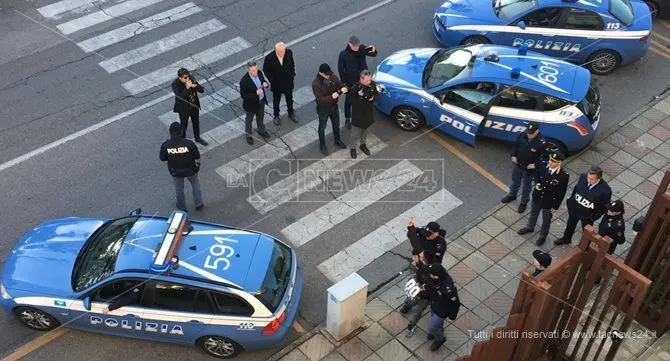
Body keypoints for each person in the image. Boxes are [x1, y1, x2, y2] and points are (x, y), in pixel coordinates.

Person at [518, 152, 569, 245]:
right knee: (533, 214)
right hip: (537, 196)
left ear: (559, 163)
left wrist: (555, 207)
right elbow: (536, 175)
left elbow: (561, 193)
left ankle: (543, 236)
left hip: (548, 202)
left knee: (546, 220)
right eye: (550, 160)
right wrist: (537, 184)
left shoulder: (563, 175)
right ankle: (530, 227)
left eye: (553, 161)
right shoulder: (543, 165)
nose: (550, 162)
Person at [555, 166, 612, 246]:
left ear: (599, 179)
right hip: (575, 208)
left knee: (587, 232)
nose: (588, 180)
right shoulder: (583, 177)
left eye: (592, 179)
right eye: (588, 177)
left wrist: (593, 217)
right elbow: (576, 188)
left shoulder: (606, 190)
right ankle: (566, 238)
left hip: (588, 215)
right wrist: (571, 200)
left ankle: (585, 246)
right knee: (570, 224)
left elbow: (604, 207)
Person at [501, 122, 547, 213]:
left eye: (531, 133)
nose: (529, 135)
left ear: (537, 131)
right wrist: (513, 155)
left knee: (526, 187)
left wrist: (535, 165)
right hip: (518, 165)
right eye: (528, 132)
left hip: (529, 170)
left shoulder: (541, 142)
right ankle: (512, 195)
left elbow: (546, 159)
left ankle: (524, 202)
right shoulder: (523, 135)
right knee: (515, 182)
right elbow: (516, 145)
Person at [159, 122, 204, 211]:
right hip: (190, 169)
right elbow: (197, 156)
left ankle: (182, 207)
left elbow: (162, 158)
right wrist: (197, 165)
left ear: (170, 132)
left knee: (179, 188)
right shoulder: (189, 143)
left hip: (175, 171)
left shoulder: (166, 145)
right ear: (181, 131)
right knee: (195, 184)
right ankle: (199, 204)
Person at [338, 35, 377, 129]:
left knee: (364, 97)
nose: (357, 48)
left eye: (358, 45)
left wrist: (373, 50)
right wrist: (344, 84)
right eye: (355, 46)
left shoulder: (362, 48)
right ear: (349, 44)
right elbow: (341, 70)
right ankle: (348, 118)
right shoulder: (343, 55)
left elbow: (373, 54)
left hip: (363, 80)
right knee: (349, 101)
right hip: (351, 83)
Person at [312, 63, 348, 155]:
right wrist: (331, 97)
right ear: (321, 73)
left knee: (336, 124)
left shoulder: (332, 77)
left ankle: (337, 140)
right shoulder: (316, 84)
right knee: (322, 128)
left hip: (334, 107)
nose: (329, 76)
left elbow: (340, 84)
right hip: (323, 109)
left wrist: (344, 88)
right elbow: (320, 100)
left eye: (329, 74)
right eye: (326, 74)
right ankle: (322, 145)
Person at [425, 263, 460, 352]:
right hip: (434, 304)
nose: (429, 275)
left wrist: (453, 316)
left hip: (442, 311)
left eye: (431, 274)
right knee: (436, 325)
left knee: (431, 328)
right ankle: (439, 330)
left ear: (436, 276)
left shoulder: (448, 289)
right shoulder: (435, 278)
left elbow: (454, 303)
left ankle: (440, 339)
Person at [400, 251, 435, 336]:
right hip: (418, 289)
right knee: (410, 299)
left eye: (422, 257)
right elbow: (416, 275)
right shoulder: (421, 267)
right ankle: (407, 305)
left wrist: (424, 289)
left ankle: (411, 326)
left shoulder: (434, 273)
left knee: (418, 312)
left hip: (425, 297)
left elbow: (433, 288)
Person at [263, 42, 298, 125]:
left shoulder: (289, 52)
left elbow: (292, 64)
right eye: (281, 51)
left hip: (287, 81)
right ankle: (276, 116)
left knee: (289, 99)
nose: (283, 53)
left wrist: (292, 74)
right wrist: (272, 80)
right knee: (276, 100)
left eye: (283, 51)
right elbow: (265, 70)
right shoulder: (269, 58)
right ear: (276, 50)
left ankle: (291, 113)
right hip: (276, 84)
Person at [171, 68, 208, 145]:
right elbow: (180, 97)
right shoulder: (175, 84)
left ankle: (197, 138)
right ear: (180, 77)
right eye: (185, 78)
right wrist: (187, 88)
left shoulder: (190, 78)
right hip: (183, 108)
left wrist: (196, 86)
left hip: (194, 105)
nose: (187, 79)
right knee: (184, 125)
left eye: (188, 76)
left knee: (196, 122)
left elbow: (202, 90)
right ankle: (182, 140)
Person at [349, 70, 380, 159]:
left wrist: (372, 98)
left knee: (364, 130)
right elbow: (352, 102)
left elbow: (377, 95)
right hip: (357, 115)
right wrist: (359, 96)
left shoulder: (372, 84)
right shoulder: (355, 88)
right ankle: (353, 149)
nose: (369, 82)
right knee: (354, 134)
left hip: (367, 113)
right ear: (361, 79)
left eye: (369, 80)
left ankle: (363, 145)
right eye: (367, 81)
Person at [240, 61, 272, 145]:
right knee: (249, 120)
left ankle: (261, 130)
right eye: (252, 70)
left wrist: (266, 84)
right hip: (251, 105)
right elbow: (244, 96)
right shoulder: (244, 81)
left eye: (256, 69)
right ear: (248, 70)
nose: (255, 72)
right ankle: (248, 135)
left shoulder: (259, 72)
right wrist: (255, 94)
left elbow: (263, 80)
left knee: (260, 117)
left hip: (261, 101)